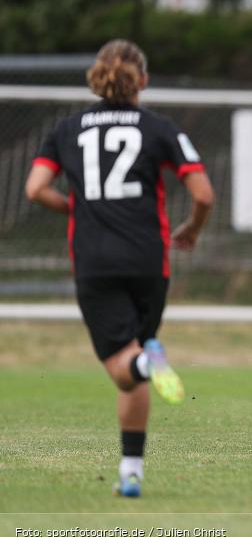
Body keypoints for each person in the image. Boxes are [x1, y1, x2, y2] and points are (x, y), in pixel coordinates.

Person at [24, 39, 214, 497]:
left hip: (95, 261)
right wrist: (191, 229)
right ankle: (131, 472)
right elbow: (204, 194)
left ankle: (148, 363)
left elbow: (34, 188)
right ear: (143, 80)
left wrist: (76, 206)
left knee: (123, 367)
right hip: (149, 260)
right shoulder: (159, 128)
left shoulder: (67, 130)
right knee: (133, 357)